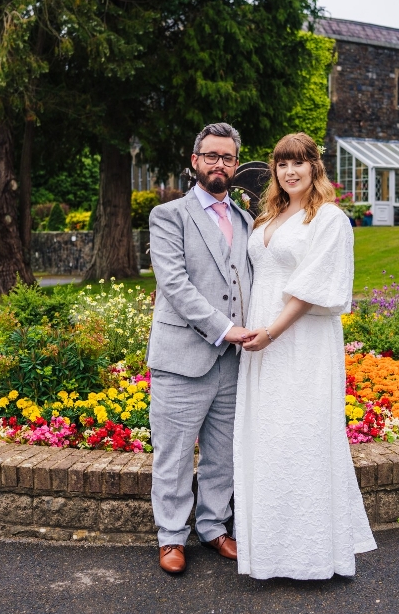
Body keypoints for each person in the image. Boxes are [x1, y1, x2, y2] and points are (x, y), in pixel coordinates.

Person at [233, 132, 377, 580]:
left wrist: (272, 331)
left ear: (316, 167)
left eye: (299, 163)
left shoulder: (330, 219)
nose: (290, 171)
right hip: (262, 342)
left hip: (299, 342)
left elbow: (316, 286)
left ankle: (311, 555)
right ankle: (269, 550)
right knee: (269, 438)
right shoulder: (270, 215)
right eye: (281, 164)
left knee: (302, 436)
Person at [146, 122, 255, 575]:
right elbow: (175, 285)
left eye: (227, 158)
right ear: (195, 162)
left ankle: (213, 527)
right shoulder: (168, 216)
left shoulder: (247, 220)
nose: (219, 164)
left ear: (235, 165)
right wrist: (226, 328)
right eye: (211, 156)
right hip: (183, 357)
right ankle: (171, 536)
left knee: (222, 452)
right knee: (172, 454)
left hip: (233, 362)